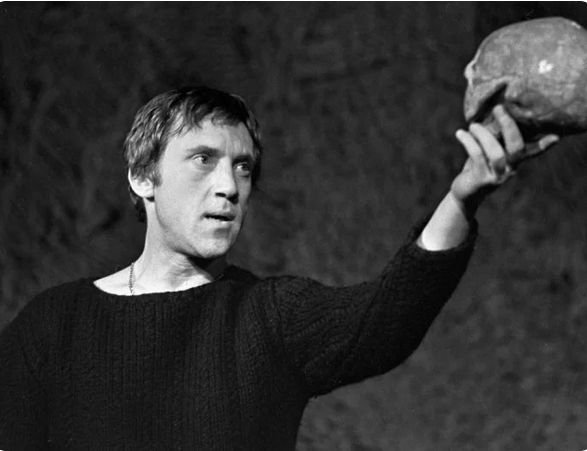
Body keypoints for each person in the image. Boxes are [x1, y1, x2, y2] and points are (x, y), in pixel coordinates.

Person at [0, 86, 559, 450]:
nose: (228, 186)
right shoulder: (54, 325)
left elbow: (386, 318)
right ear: (143, 177)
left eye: (243, 167)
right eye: (203, 160)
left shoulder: (269, 317)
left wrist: (462, 199)